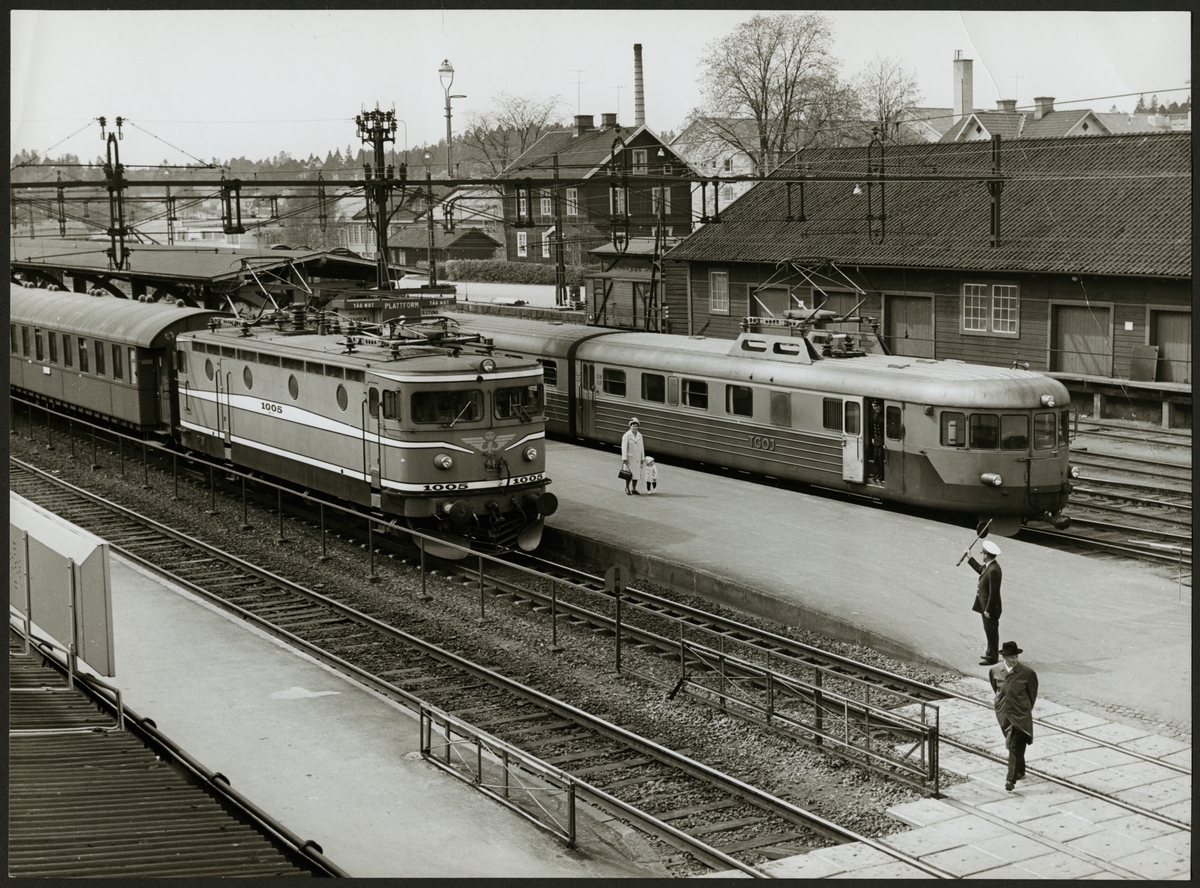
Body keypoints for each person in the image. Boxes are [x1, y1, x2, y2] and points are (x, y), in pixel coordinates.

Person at [989, 641, 1038, 791]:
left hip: (1020, 715)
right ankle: (1020, 770)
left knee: (1014, 745)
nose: (1014, 660)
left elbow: (1032, 695)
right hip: (1003, 714)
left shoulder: (1027, 673)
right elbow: (996, 689)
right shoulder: (995, 671)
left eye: (1016, 657)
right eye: (1011, 657)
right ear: (1004, 657)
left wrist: (1023, 710)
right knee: (1016, 745)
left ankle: (1010, 779)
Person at [967, 540, 1003, 665]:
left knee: (991, 632)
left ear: (986, 555)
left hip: (990, 608)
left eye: (982, 553)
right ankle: (990, 653)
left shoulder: (993, 570)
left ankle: (992, 657)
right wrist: (970, 557)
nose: (982, 555)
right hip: (986, 607)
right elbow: (980, 569)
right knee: (989, 631)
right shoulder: (990, 567)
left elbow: (994, 593)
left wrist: (988, 609)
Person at [620, 418, 645, 495]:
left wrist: (642, 458)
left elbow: (642, 447)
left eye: (636, 426)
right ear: (630, 426)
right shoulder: (627, 435)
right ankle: (627, 488)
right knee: (629, 474)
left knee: (636, 474)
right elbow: (624, 448)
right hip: (630, 458)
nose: (635, 428)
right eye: (633, 426)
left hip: (637, 458)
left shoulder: (640, 435)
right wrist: (624, 458)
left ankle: (634, 488)